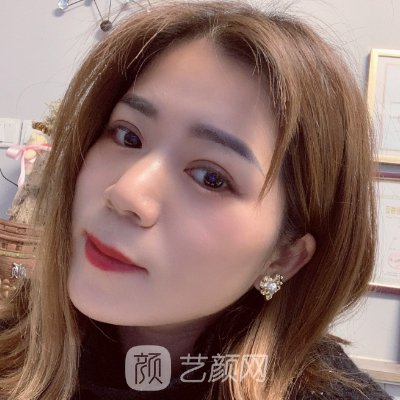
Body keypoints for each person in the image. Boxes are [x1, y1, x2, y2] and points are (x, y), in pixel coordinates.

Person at [0, 1, 393, 399]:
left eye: (211, 178)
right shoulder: (14, 343)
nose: (125, 192)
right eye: (128, 136)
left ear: (284, 257)